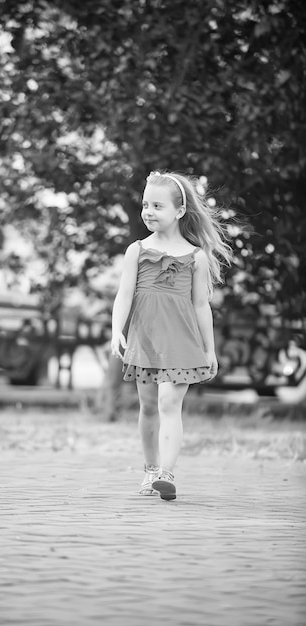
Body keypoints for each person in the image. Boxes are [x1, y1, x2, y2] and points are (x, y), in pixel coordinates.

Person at [111, 170, 232, 501]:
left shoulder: (196, 258)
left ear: (179, 212)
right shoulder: (136, 250)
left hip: (181, 342)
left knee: (168, 403)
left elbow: (201, 306)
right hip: (145, 340)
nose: (148, 211)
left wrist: (210, 350)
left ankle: (167, 473)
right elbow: (124, 295)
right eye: (145, 204)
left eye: (157, 206)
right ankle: (150, 470)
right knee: (148, 406)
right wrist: (116, 331)